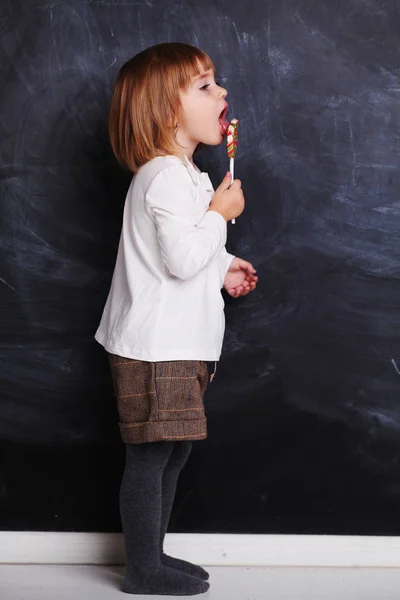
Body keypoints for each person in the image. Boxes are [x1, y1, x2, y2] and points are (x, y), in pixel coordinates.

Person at [94, 42, 258, 596]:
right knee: (152, 453)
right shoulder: (164, 175)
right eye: (206, 86)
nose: (223, 93)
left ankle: (152, 554)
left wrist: (226, 266)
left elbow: (190, 256)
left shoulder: (186, 174)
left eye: (217, 82)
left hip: (180, 344)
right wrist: (220, 214)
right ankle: (142, 568)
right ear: (167, 110)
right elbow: (184, 257)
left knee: (173, 446)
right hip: (155, 347)